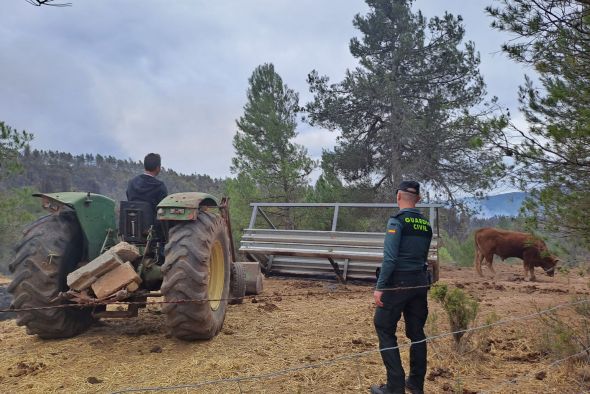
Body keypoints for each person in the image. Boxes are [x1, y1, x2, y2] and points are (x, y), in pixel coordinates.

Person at [370, 181, 433, 394]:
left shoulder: (397, 222)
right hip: (420, 282)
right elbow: (422, 257)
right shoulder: (426, 224)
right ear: (417, 199)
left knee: (383, 327)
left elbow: (389, 259)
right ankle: (416, 384)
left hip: (398, 284)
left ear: (398, 197)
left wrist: (380, 287)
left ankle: (395, 386)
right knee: (417, 333)